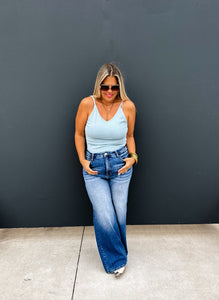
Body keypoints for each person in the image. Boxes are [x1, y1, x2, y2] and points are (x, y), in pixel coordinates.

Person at [75, 63, 138, 278]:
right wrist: (82, 160)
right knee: (104, 214)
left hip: (121, 164)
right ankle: (117, 260)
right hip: (94, 166)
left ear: (119, 87)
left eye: (114, 87)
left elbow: (130, 137)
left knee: (119, 213)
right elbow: (79, 134)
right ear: (98, 86)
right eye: (105, 87)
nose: (109, 92)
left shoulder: (128, 106)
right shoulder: (87, 104)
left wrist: (133, 159)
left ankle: (117, 255)